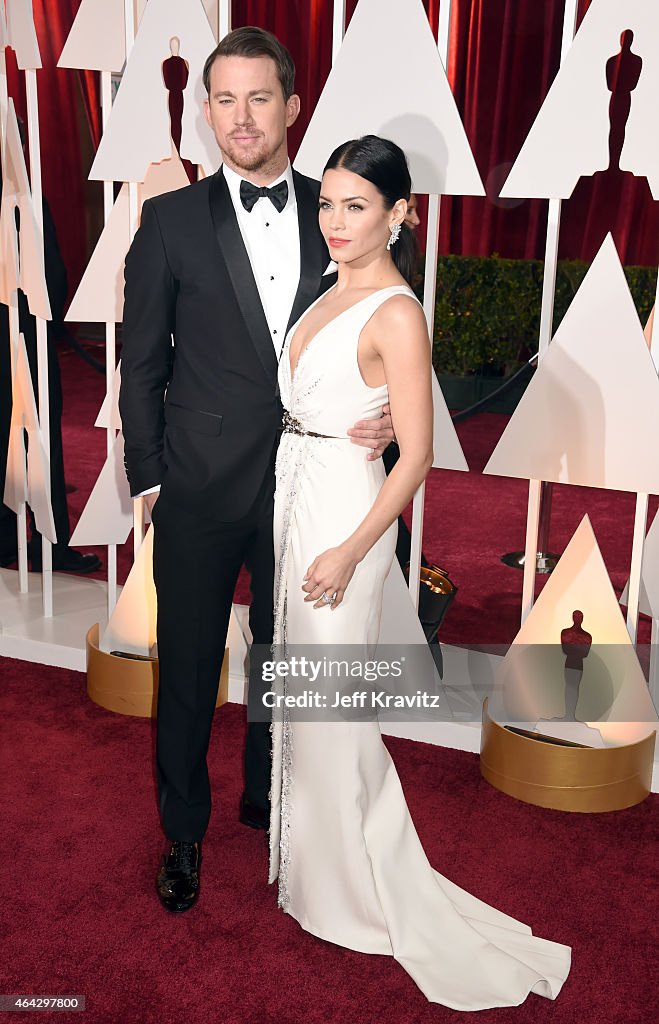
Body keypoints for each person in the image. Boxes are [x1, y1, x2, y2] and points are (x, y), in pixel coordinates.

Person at [268, 135, 572, 1010]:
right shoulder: (330, 288)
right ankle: (310, 873)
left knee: (333, 715)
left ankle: (354, 897)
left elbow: (418, 458)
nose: (335, 220)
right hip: (298, 503)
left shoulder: (396, 311)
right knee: (304, 701)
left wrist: (348, 548)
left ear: (399, 215)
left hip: (341, 524)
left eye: (356, 205)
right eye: (326, 202)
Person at [119, 28, 393, 914]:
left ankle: (271, 798)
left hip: (311, 484)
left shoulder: (337, 209)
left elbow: (385, 313)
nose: (242, 118)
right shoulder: (168, 222)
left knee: (289, 658)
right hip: (196, 487)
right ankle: (184, 832)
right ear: (207, 112)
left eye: (259, 99)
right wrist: (151, 480)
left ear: (291, 106)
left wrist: (389, 399)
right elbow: (140, 366)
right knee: (190, 666)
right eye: (225, 100)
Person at [0, 120, 101, 575]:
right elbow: (53, 276)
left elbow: (53, 273)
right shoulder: (27, 203)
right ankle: (36, 542)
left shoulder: (31, 202)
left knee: (42, 444)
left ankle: (41, 541)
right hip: (27, 336)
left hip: (33, 337)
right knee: (31, 443)